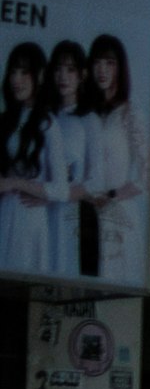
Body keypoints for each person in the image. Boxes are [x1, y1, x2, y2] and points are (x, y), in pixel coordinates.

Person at [75, 29, 146, 293]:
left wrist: (114, 194)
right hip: (84, 212)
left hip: (119, 214)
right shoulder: (85, 113)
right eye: (97, 62)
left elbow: (145, 173)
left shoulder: (130, 112)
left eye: (109, 63)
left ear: (119, 68)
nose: (102, 70)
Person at [38, 40, 91, 289]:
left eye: (70, 70)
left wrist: (52, 194)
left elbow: (92, 182)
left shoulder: (88, 121)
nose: (63, 76)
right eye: (58, 68)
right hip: (36, 210)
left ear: (82, 75)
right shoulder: (44, 116)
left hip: (67, 213)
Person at [0, 41, 51, 282]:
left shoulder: (48, 124)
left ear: (38, 76)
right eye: (13, 71)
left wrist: (17, 184)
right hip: (6, 214)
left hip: (30, 222)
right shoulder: (6, 120)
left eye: (24, 72)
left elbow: (61, 186)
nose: (16, 79)